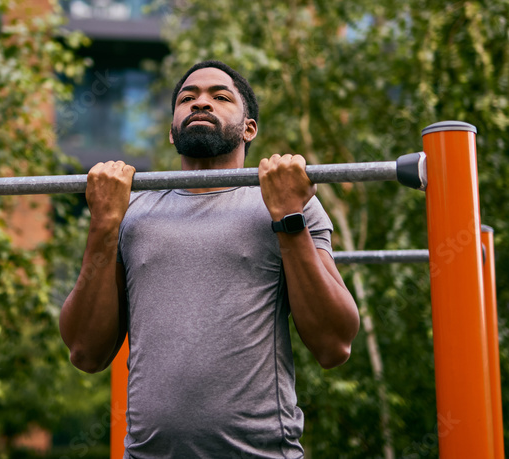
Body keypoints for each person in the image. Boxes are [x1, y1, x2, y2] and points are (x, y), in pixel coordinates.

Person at [58, 60, 360, 458]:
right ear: (171, 131)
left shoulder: (286, 201)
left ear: (249, 128)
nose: (201, 102)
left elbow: (334, 345)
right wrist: (102, 224)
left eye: (220, 97)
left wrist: (288, 216)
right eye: (188, 98)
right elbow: (85, 352)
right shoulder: (129, 212)